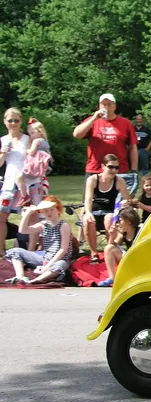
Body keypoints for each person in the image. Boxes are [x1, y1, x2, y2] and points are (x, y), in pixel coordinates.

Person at [1, 108, 45, 257]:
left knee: (32, 215)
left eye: (16, 120)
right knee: (2, 215)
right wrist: (3, 153)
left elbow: (38, 157)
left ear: (21, 121)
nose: (13, 123)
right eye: (10, 120)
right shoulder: (3, 140)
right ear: (5, 122)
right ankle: (1, 251)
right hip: (9, 182)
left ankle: (31, 251)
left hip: (30, 181)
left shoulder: (28, 138)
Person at [72, 93, 139, 192]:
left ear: (115, 106)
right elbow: (77, 134)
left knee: (119, 200)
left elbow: (133, 147)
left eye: (109, 104)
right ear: (99, 106)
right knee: (90, 200)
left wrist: (134, 170)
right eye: (104, 104)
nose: (106, 107)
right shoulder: (92, 121)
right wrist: (94, 118)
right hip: (95, 169)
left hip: (118, 170)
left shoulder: (125, 123)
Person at [4, 195, 72, 284]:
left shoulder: (63, 225)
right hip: (44, 258)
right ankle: (20, 276)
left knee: (60, 265)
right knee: (15, 251)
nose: (49, 213)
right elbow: (22, 230)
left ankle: (36, 280)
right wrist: (27, 214)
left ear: (58, 210)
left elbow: (63, 249)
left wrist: (47, 266)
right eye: (46, 210)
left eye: (52, 209)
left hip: (59, 259)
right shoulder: (43, 224)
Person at [83, 154, 131, 263]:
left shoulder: (119, 181)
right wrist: (88, 212)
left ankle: (109, 250)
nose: (114, 170)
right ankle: (94, 253)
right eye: (110, 167)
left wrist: (126, 203)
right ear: (103, 166)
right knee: (88, 220)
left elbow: (128, 199)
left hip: (109, 213)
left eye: (116, 167)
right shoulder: (93, 179)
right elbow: (88, 199)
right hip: (94, 212)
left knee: (109, 218)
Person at [98, 207, 140, 287]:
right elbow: (110, 248)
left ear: (128, 221)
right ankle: (112, 278)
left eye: (120, 221)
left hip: (140, 262)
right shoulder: (123, 234)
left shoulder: (140, 232)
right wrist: (111, 235)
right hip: (130, 260)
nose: (118, 224)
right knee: (108, 248)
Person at [15, 118, 52, 207]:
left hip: (34, 166)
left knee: (19, 177)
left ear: (40, 132)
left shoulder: (36, 141)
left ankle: (24, 196)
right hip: (41, 167)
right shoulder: (45, 142)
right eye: (29, 133)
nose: (31, 136)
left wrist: (27, 148)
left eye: (32, 133)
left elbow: (31, 152)